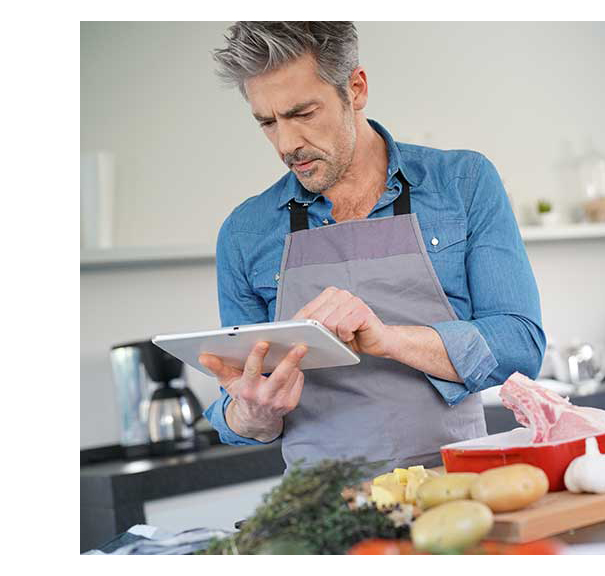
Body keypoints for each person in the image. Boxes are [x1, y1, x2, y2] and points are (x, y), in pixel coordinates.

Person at [200, 22, 545, 474]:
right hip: (321, 510)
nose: (287, 144)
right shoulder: (245, 232)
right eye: (267, 122)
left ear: (356, 89)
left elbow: (520, 344)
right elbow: (247, 400)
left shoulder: (462, 183)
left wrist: (388, 339)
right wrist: (251, 414)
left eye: (303, 114)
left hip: (455, 488)